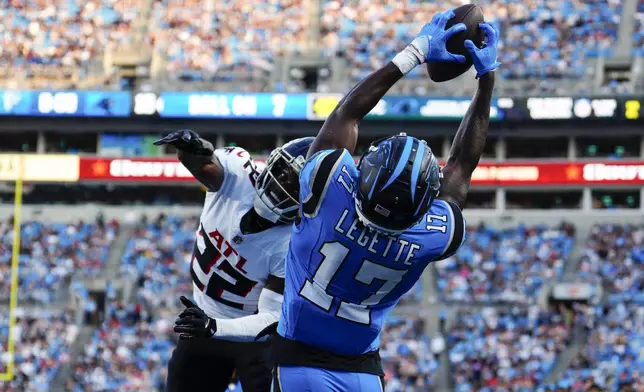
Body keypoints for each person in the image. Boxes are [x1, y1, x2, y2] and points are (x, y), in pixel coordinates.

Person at [271, 11, 501, 391]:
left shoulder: (330, 188)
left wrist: (414, 53)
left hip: (299, 361)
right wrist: (487, 81)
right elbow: (461, 165)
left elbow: (348, 112)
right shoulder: (433, 234)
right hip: (363, 372)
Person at [154, 130, 313, 392]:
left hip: (253, 338)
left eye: (296, 184)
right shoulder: (238, 174)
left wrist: (214, 327)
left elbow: (271, 317)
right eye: (283, 170)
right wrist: (192, 149)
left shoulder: (294, 242)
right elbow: (203, 163)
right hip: (204, 318)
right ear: (273, 161)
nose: (282, 183)